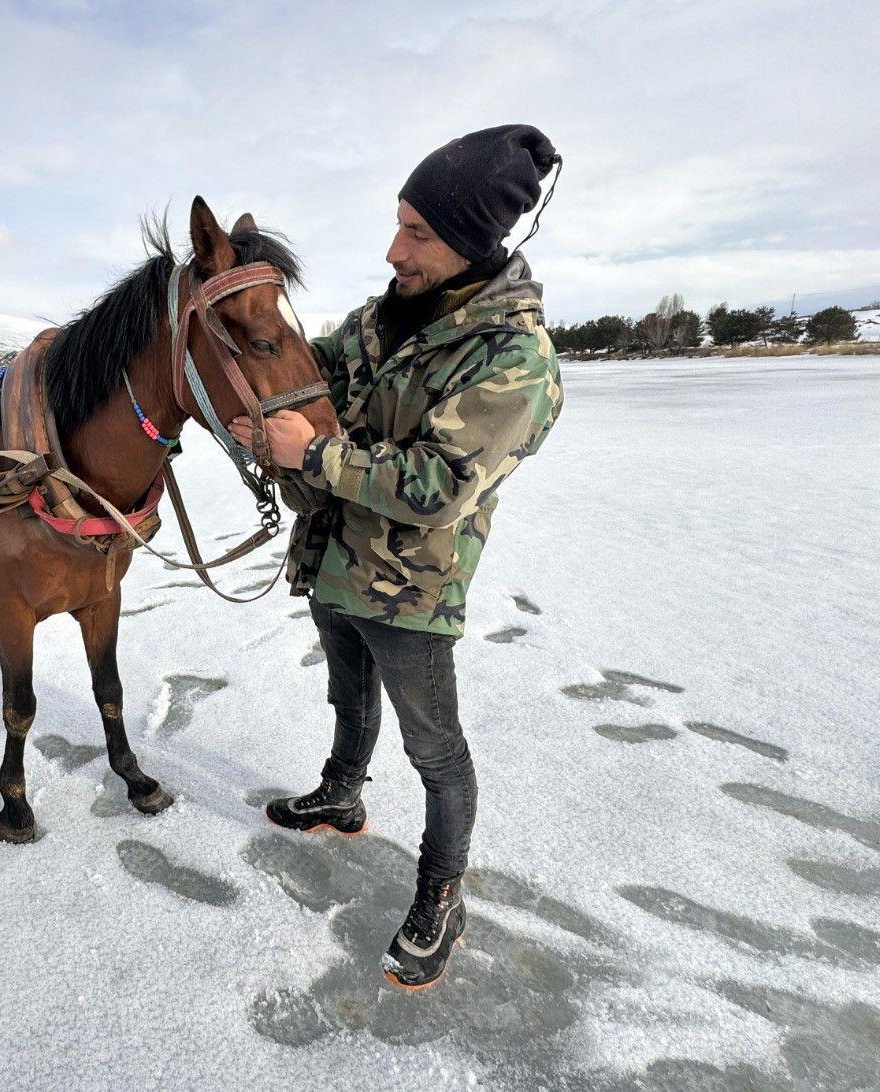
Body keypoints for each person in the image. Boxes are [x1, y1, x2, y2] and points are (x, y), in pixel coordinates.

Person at [229, 124, 565, 990]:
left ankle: (441, 895)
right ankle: (342, 793)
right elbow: (312, 376)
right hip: (335, 559)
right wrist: (257, 401)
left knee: (436, 751)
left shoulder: (517, 360)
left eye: (417, 233)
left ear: (472, 241)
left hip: (411, 588)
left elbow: (441, 483)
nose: (393, 249)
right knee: (347, 693)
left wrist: (310, 454)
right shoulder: (380, 317)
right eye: (398, 224)